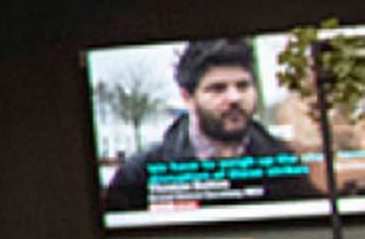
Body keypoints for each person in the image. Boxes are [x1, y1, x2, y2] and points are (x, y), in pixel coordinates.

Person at [101, 38, 315, 213]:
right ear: (187, 97)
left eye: (243, 86)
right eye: (217, 88)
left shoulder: (284, 162)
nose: (234, 98)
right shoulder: (143, 171)